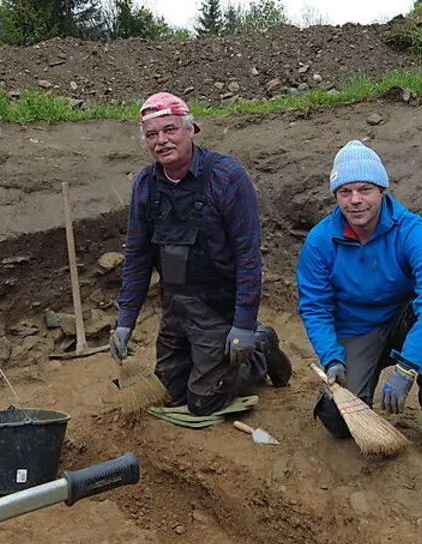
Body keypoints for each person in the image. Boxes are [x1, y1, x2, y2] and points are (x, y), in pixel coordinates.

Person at [109, 91, 292, 417]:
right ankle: (209, 358)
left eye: (170, 130)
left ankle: (261, 348)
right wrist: (125, 322)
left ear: (191, 129)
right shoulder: (145, 185)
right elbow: (137, 256)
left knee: (203, 402)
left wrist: (244, 325)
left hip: (218, 308)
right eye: (152, 135)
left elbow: (248, 256)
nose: (161, 141)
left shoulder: (227, 177)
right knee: (170, 393)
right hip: (176, 307)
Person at [296, 140, 422, 457]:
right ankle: (340, 390)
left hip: (402, 322)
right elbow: (315, 307)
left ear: (382, 190)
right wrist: (331, 357)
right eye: (345, 192)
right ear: (335, 196)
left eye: (365, 190)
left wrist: (408, 367)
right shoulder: (321, 241)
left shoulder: (410, 229)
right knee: (337, 424)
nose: (355, 200)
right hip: (357, 329)